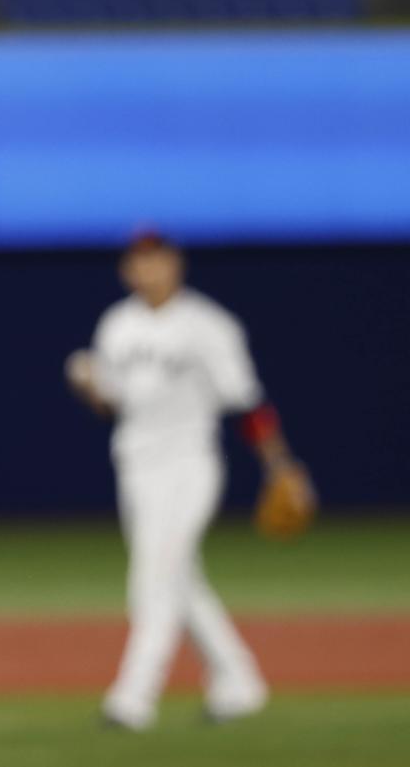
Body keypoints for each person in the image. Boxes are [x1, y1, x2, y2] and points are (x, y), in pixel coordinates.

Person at [65, 233, 312, 730]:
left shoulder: (209, 325)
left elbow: (247, 405)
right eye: (138, 260)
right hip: (134, 463)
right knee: (180, 578)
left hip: (190, 465)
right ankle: (238, 681)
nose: (147, 268)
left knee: (153, 576)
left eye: (156, 258)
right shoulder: (117, 324)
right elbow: (113, 406)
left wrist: (280, 464)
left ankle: (132, 700)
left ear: (175, 263)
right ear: (127, 269)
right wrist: (89, 385)